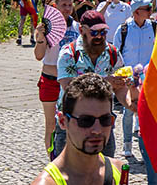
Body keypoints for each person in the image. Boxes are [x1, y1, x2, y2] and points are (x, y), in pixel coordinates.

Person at [54, 10, 130, 159]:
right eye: (94, 33)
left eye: (103, 32)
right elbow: (68, 86)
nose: (100, 37)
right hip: (73, 126)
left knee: (105, 173)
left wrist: (130, 104)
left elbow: (120, 87)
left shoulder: (112, 52)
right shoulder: (69, 53)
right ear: (82, 30)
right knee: (70, 176)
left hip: (103, 124)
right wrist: (104, 81)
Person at [35, 0, 79, 159]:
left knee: (69, 123)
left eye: (69, 5)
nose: (67, 9)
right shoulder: (47, 27)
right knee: (51, 124)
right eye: (63, 5)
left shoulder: (76, 27)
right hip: (50, 79)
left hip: (69, 81)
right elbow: (39, 55)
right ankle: (52, 161)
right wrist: (40, 37)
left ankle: (68, 158)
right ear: (55, 6)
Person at [112, 0, 157, 162]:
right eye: (147, 8)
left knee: (147, 112)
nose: (150, 10)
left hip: (148, 76)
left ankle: (147, 147)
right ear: (137, 11)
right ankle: (127, 145)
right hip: (129, 75)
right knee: (128, 111)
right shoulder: (123, 29)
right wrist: (120, 74)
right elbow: (116, 52)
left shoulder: (153, 26)